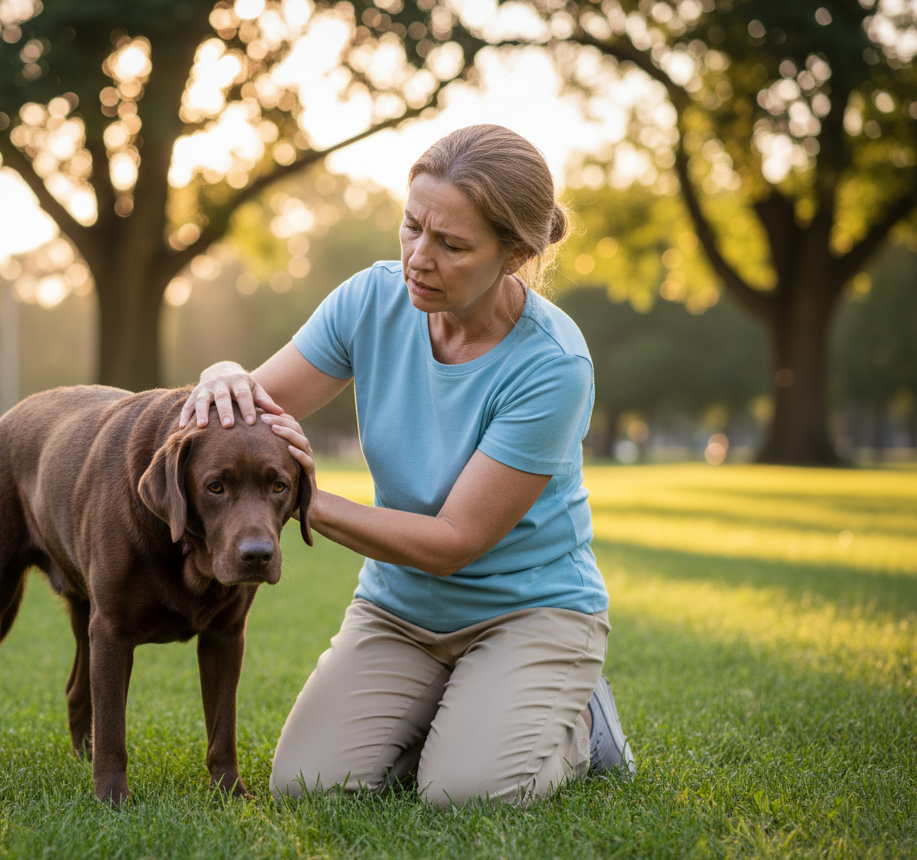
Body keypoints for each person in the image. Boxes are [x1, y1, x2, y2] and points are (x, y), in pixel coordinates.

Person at [179, 123, 634, 807]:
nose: (419, 257)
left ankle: (582, 724)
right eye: (412, 226)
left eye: (451, 245)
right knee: (307, 786)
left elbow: (455, 543)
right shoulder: (371, 299)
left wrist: (307, 498)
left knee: (467, 794)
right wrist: (220, 372)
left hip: (528, 612)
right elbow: (251, 408)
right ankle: (466, 709)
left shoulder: (552, 366)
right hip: (399, 612)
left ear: (514, 255)